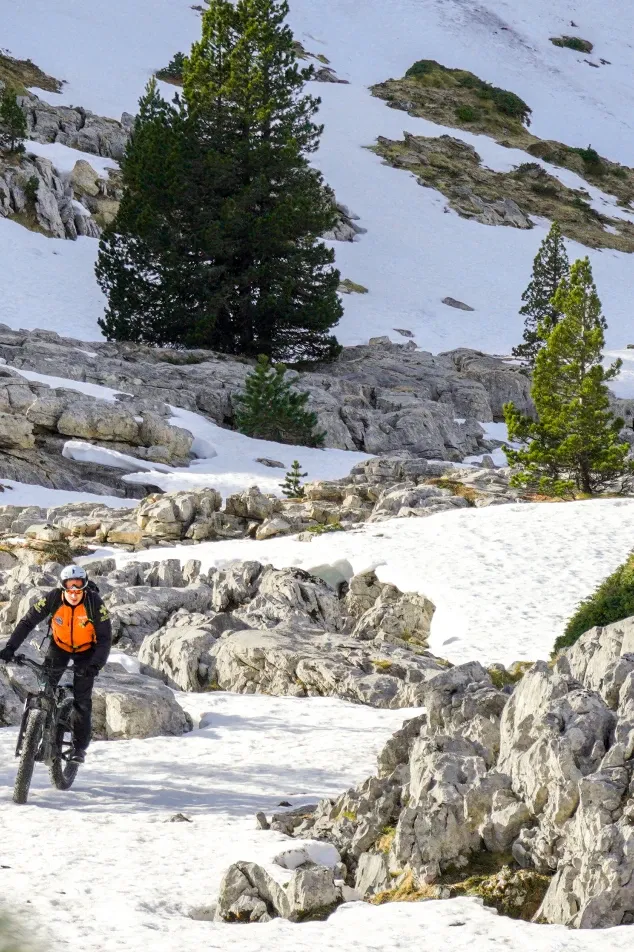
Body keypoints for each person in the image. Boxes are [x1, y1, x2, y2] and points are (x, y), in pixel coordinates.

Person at [0, 565, 112, 763]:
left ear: (85, 586)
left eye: (79, 587)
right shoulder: (53, 598)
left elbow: (105, 638)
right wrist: (10, 648)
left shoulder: (94, 603)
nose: (75, 592)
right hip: (59, 647)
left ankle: (79, 748)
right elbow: (28, 622)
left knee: (82, 701)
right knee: (45, 689)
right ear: (63, 586)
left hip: (87, 650)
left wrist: (94, 665)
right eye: (70, 587)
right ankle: (38, 737)